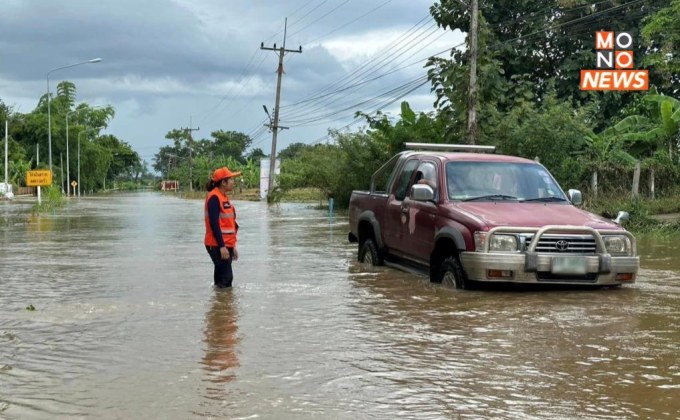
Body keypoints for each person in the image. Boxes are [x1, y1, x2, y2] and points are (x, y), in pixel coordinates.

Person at [204, 167, 241, 288]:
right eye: (230, 179)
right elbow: (214, 224)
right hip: (217, 244)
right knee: (226, 278)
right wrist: (222, 246)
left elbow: (229, 224)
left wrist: (232, 246)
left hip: (225, 245)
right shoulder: (214, 197)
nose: (233, 182)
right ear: (223, 182)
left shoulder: (223, 197)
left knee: (221, 279)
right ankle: (225, 305)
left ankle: (218, 304)